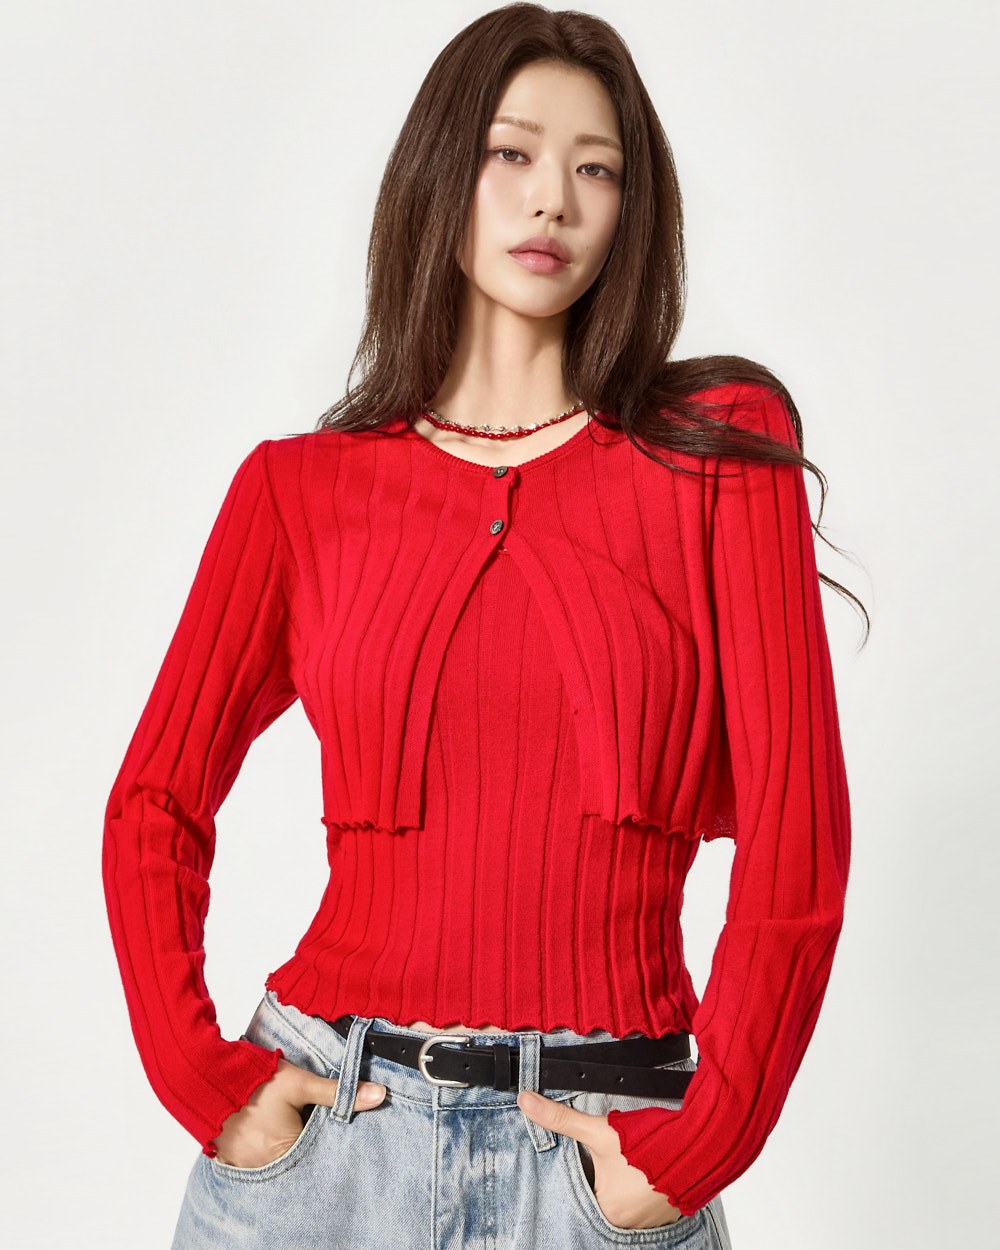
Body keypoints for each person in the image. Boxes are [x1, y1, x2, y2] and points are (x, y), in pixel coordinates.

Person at [102, 5, 861, 1247]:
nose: (551, 198)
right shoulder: (299, 491)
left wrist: (700, 1143)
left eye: (596, 168)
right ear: (440, 171)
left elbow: (800, 834)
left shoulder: (719, 455)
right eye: (512, 153)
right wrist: (206, 1079)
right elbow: (153, 803)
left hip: (602, 1154)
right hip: (329, 1146)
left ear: (632, 211)